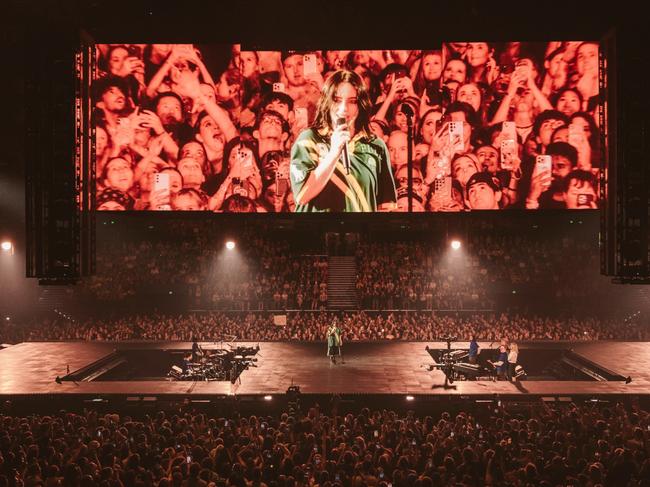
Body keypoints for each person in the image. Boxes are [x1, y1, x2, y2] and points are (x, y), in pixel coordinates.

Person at [290, 70, 397, 212]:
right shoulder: (309, 139)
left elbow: (386, 206)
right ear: (326, 101)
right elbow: (302, 195)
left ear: (361, 105)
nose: (344, 108)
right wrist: (334, 153)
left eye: (352, 101)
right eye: (337, 100)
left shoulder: (376, 145)